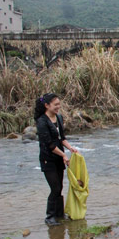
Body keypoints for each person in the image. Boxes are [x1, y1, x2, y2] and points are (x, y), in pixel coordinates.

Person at [35, 93, 78, 226]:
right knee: (55, 187)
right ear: (47, 106)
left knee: (60, 186)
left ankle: (60, 214)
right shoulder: (42, 122)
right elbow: (50, 145)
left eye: (59, 104)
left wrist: (70, 148)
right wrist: (64, 155)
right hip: (48, 159)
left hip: (59, 158)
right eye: (56, 105)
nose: (58, 107)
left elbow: (62, 138)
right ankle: (50, 216)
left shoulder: (58, 117)